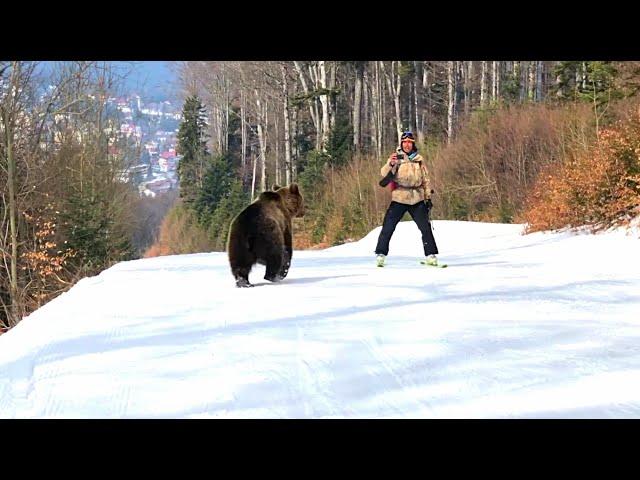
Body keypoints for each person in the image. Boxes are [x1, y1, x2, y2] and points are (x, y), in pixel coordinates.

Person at [374, 131, 440, 267]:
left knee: (425, 227)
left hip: (417, 197)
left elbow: (426, 179)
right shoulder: (396, 157)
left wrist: (427, 196)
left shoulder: (419, 160)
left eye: (410, 142)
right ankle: (381, 254)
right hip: (400, 196)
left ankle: (431, 255)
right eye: (405, 142)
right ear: (401, 144)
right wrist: (391, 164)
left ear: (413, 144)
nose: (407, 145)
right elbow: (383, 173)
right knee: (388, 226)